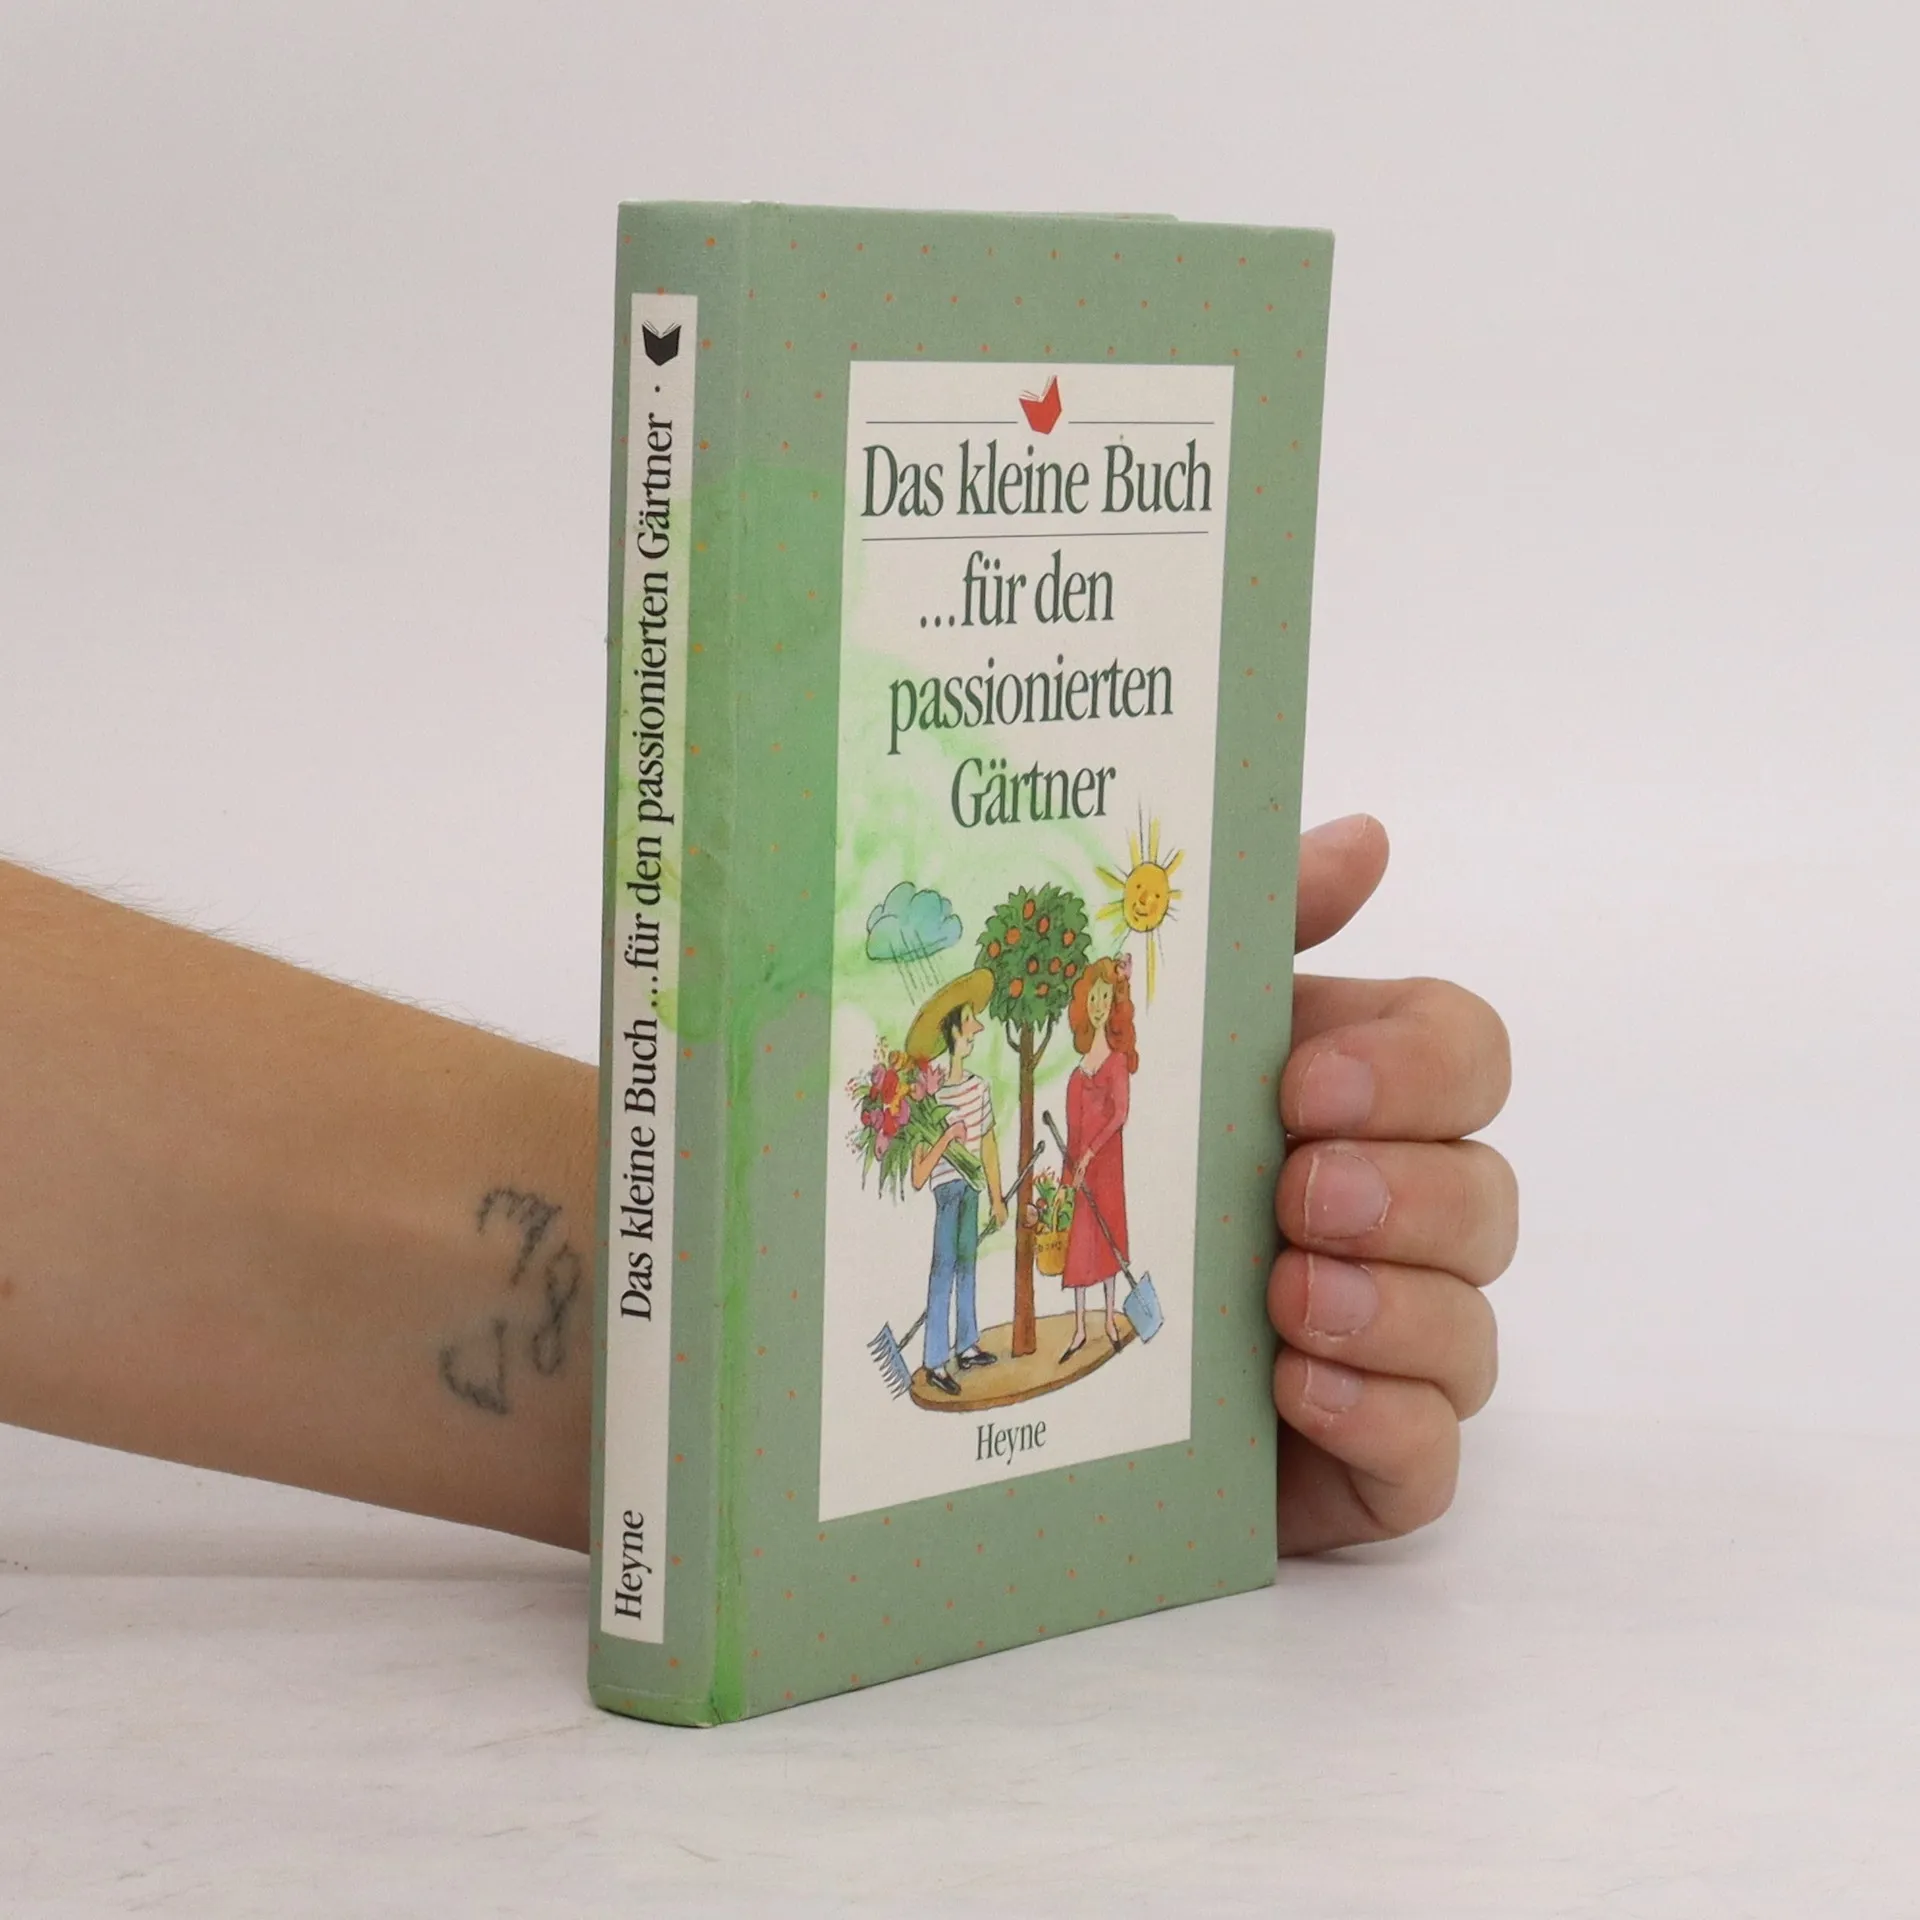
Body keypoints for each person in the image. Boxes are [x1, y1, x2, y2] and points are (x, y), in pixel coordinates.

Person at [0, 814, 1514, 1556]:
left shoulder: (1008, 1069)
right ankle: (939, 1353)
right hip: (956, 1215)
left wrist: (1128, 1460)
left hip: (988, 1237)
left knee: (994, 1272)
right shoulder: (955, 1073)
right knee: (955, 1283)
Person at [904, 969, 1010, 1396]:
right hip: (947, 1192)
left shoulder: (979, 1088)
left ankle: (966, 1344)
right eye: (968, 1021)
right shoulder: (927, 1099)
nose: (976, 1029)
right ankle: (934, 1360)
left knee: (968, 1264)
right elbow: (918, 1175)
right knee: (943, 1268)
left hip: (973, 1191)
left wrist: (997, 1198)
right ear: (951, 1032)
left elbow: (988, 1146)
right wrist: (947, 1137)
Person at [1059, 953, 1137, 1362]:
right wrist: (1066, 1177)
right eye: (1093, 997)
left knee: (1108, 1240)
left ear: (1114, 1004)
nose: (1098, 1004)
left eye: (1105, 997)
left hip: (1106, 1167)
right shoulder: (1076, 1075)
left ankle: (1108, 1318)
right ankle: (1078, 1328)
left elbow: (1119, 1115)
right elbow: (1072, 1133)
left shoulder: (1117, 1063)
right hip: (1082, 1171)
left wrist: (1091, 1154)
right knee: (1080, 1243)